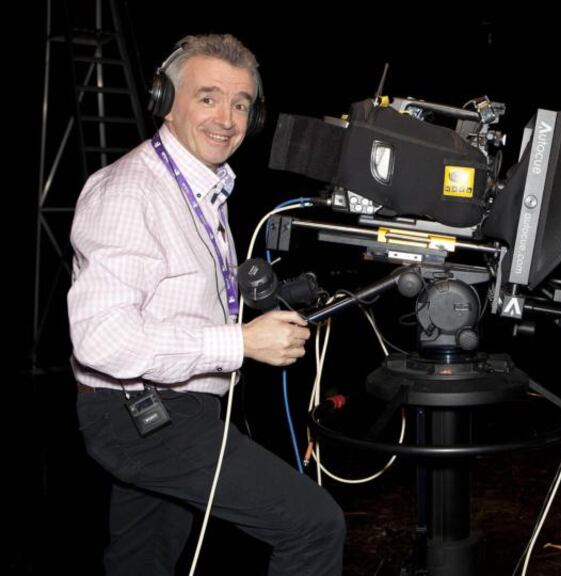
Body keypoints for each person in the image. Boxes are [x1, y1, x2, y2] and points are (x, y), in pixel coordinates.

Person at [68, 34, 345, 575]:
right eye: (208, 97)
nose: (226, 118)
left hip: (170, 404)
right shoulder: (130, 193)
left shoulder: (200, 187)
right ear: (165, 103)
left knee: (141, 558)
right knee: (313, 526)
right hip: (142, 412)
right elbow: (102, 338)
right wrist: (240, 341)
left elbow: (173, 296)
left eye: (240, 104)